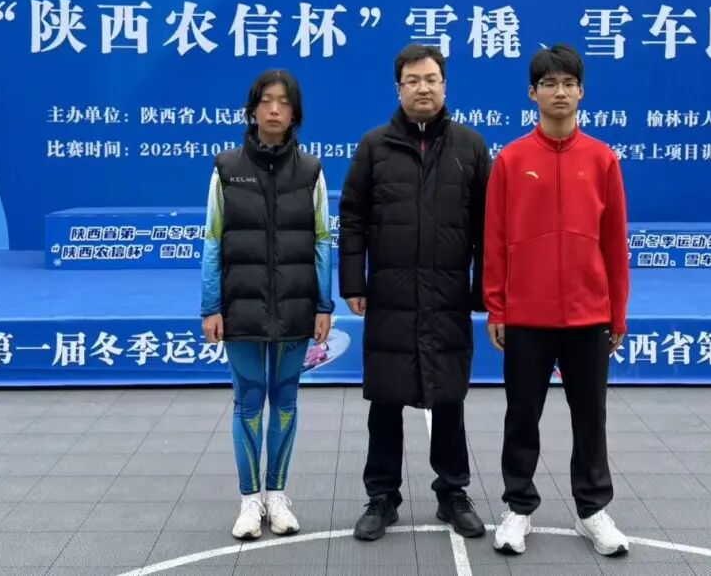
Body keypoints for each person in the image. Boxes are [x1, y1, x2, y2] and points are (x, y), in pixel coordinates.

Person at [484, 44, 630, 557]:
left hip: (589, 315)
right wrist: (497, 306)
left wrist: (616, 313)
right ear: (533, 93)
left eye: (569, 83)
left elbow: (614, 244)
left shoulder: (603, 159)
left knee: (590, 416)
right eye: (549, 84)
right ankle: (518, 507)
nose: (560, 92)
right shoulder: (511, 159)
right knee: (522, 415)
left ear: (582, 91)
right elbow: (495, 238)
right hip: (527, 315)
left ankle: (593, 510)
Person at [339, 44, 489, 541]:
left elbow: (487, 226)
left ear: (445, 85)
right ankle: (381, 497)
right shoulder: (374, 146)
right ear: (398, 88)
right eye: (413, 80)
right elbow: (353, 218)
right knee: (386, 400)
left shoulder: (470, 147)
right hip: (391, 293)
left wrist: (484, 290)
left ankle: (453, 493)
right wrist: (353, 283)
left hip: (447, 293)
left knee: (448, 398)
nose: (423, 88)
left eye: (431, 79)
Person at [199, 69, 334, 540]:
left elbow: (322, 240)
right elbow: (212, 240)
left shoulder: (312, 171)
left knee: (286, 402)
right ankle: (248, 501)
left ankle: (276, 496)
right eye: (266, 101)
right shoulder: (226, 168)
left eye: (284, 102)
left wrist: (323, 304)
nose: (274, 109)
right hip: (241, 308)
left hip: (296, 307)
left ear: (295, 113)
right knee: (249, 403)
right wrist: (211, 307)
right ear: (252, 109)